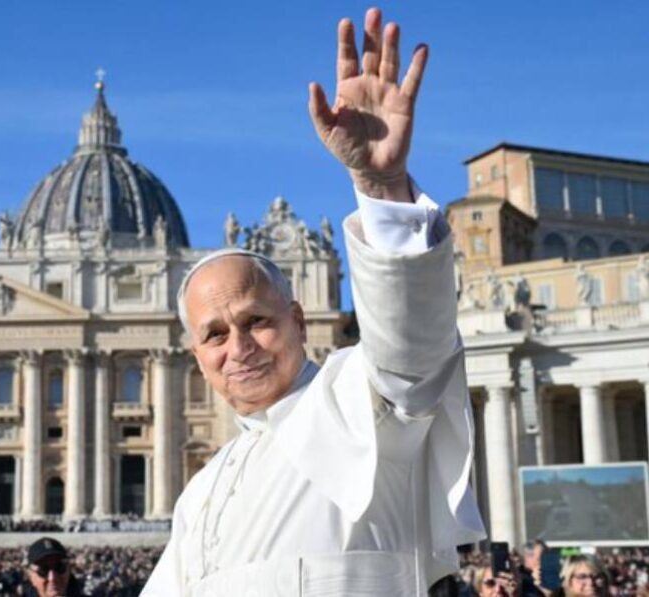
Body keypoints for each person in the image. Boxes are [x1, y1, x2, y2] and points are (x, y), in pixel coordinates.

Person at [142, 7, 485, 596]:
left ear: (298, 321)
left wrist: (380, 186)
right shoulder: (199, 495)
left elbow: (411, 348)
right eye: (215, 334)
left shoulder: (363, 407)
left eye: (256, 321)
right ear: (196, 355)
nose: (238, 348)